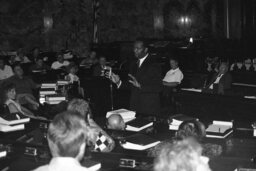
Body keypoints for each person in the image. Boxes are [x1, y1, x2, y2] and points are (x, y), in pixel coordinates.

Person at [110, 39, 162, 116]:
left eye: (138, 48)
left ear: (146, 49)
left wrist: (140, 86)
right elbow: (131, 84)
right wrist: (118, 82)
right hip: (135, 105)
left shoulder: (154, 64)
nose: (135, 50)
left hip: (148, 107)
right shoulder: (133, 64)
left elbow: (158, 87)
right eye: (134, 48)